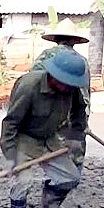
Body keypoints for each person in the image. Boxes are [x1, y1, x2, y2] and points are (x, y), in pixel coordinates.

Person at [0, 50, 89, 208]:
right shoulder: (29, 86)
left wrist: (75, 135)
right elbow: (11, 123)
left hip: (50, 137)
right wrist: (10, 156)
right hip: (26, 137)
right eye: (65, 84)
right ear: (54, 76)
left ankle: (50, 205)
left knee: (71, 177)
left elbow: (79, 111)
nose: (68, 89)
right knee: (22, 181)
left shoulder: (71, 88)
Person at [31, 19, 91, 172]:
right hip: (70, 113)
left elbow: (33, 83)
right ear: (75, 40)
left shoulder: (43, 57)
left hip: (45, 112)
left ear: (56, 38)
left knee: (50, 145)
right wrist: (84, 123)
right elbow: (84, 97)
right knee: (74, 149)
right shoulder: (80, 61)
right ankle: (72, 173)